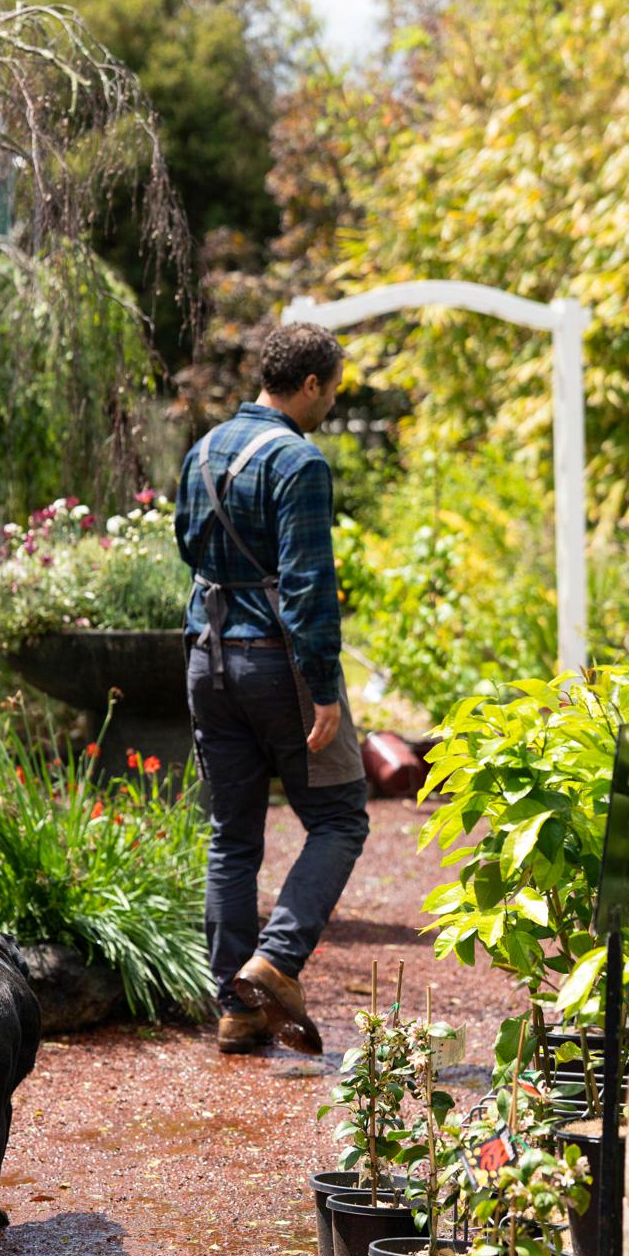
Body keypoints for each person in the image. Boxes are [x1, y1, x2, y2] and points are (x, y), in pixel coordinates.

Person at [174, 322, 369, 1056]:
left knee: (232, 836)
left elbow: (188, 548)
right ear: (310, 384)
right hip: (276, 666)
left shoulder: (202, 451)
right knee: (340, 817)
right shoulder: (299, 461)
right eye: (332, 391)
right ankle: (276, 961)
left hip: (207, 657)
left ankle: (236, 1008)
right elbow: (308, 584)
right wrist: (323, 687)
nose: (331, 405)